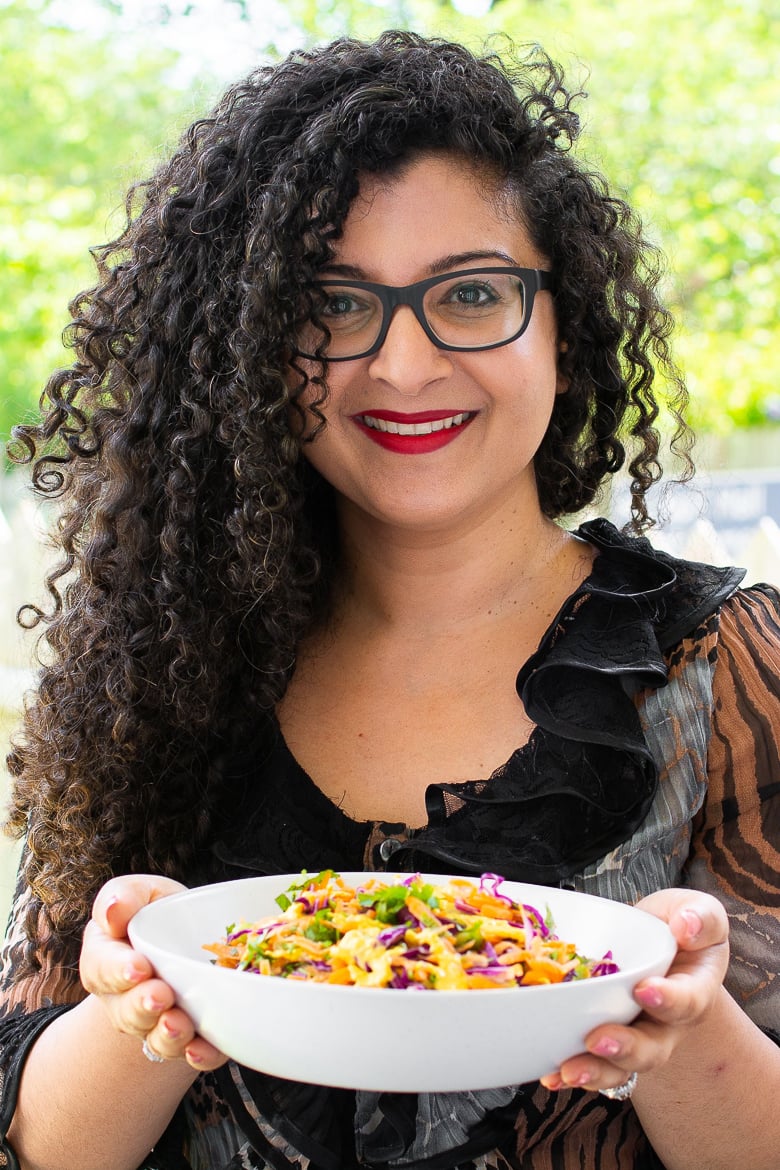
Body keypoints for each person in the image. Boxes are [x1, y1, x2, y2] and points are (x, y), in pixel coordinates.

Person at [0, 28, 778, 1170]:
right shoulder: (161, 658)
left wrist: (686, 1018)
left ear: (565, 326)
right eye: (334, 305)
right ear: (256, 349)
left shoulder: (727, 666)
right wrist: (149, 1004)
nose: (405, 367)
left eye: (471, 293)